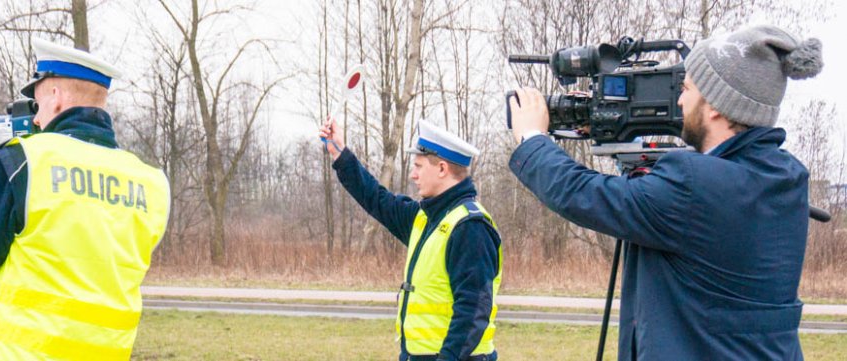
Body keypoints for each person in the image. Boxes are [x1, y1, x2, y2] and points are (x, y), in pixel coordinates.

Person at [506, 25, 823, 360]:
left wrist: (532, 138)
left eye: (686, 89)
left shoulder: (692, 184)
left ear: (715, 106)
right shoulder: (788, 179)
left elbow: (582, 194)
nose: (680, 100)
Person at [0, 39, 170, 361]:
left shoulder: (23, 160)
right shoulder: (151, 182)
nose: (36, 120)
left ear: (56, 97)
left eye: (37, 106)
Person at [319, 119, 502, 361]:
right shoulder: (425, 218)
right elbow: (376, 198)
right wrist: (340, 154)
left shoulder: (470, 227)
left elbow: (473, 310)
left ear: (442, 169)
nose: (413, 175)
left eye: (418, 166)